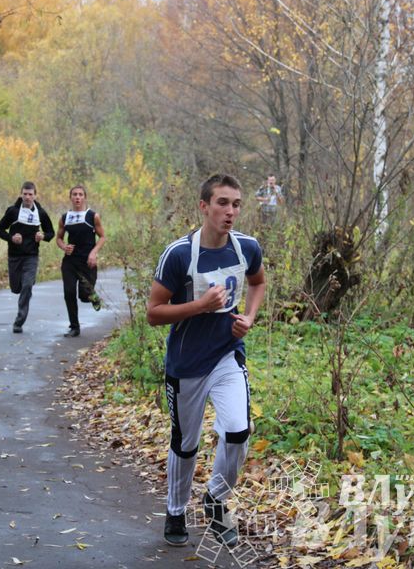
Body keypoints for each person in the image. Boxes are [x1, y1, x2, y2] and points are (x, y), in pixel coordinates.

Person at [147, 174, 266, 547]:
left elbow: (258, 282)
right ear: (203, 206)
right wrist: (200, 306)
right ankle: (176, 510)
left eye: (236, 204)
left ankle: (216, 500)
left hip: (226, 356)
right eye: (222, 203)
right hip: (186, 364)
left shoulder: (247, 247)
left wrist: (248, 317)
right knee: (186, 443)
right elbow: (153, 312)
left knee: (238, 430)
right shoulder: (180, 253)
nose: (230, 212)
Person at [0, 181, 55, 333]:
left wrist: (43, 236)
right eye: (25, 194)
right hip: (14, 256)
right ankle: (23, 285)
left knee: (27, 286)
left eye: (30, 194)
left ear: (35, 195)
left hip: (31, 256)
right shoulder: (13, 212)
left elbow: (51, 233)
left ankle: (19, 322)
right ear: (21, 194)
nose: (28, 197)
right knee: (16, 288)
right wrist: (11, 238)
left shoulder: (40, 213)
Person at [55, 185, 106, 338]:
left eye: (80, 194)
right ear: (70, 198)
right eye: (74, 195)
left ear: (85, 197)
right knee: (69, 292)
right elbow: (58, 238)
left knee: (84, 296)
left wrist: (93, 253)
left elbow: (102, 237)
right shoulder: (65, 217)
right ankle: (74, 327)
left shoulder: (93, 216)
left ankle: (93, 296)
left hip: (87, 262)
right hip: (70, 261)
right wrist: (64, 246)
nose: (77, 197)